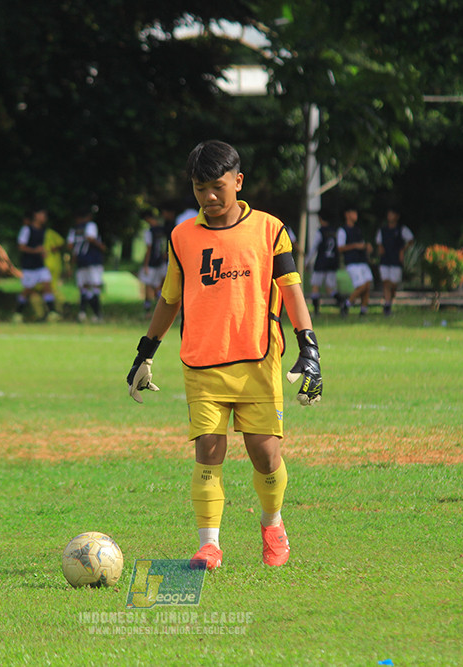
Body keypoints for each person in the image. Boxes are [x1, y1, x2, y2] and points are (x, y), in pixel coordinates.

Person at [126, 140, 322, 571]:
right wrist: (146, 351)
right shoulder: (182, 237)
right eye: (199, 189)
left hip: (258, 361)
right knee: (208, 449)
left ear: (238, 181)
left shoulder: (271, 230)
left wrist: (309, 348)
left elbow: (291, 291)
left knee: (264, 453)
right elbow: (169, 298)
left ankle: (272, 525)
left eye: (217, 187)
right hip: (202, 363)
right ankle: (209, 545)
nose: (209, 198)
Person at [14, 206, 60, 322]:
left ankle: (52, 312)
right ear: (36, 215)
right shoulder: (27, 230)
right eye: (43, 215)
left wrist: (43, 253)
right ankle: (18, 313)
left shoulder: (43, 231)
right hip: (29, 266)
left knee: (47, 286)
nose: (45, 218)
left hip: (40, 265)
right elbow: (21, 247)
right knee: (27, 290)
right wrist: (35, 251)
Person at [66, 206, 107, 322]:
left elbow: (70, 245)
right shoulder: (90, 225)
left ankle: (83, 313)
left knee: (84, 287)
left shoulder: (73, 230)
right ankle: (97, 314)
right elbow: (90, 237)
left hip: (81, 261)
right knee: (94, 287)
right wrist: (101, 246)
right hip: (93, 260)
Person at [376, 204, 414, 316]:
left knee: (393, 284)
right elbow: (379, 243)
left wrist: (402, 250)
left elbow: (411, 240)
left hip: (396, 260)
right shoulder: (382, 230)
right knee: (386, 282)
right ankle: (387, 305)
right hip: (385, 260)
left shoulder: (401, 229)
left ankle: (389, 300)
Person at [337, 204, 373, 316]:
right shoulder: (342, 230)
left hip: (362, 261)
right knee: (361, 286)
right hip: (352, 262)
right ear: (347, 215)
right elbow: (340, 247)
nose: (355, 215)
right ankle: (347, 304)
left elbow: (361, 244)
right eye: (353, 213)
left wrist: (366, 247)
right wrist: (355, 246)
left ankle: (363, 310)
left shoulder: (357, 230)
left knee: (367, 285)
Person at [307, 209, 340, 315]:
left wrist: (307, 261)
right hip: (332, 262)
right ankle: (342, 302)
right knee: (330, 288)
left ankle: (316, 311)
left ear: (320, 219)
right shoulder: (335, 231)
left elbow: (314, 248)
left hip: (321, 262)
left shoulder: (320, 231)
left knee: (315, 285)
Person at [138, 208, 168, 314]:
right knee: (158, 287)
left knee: (148, 285)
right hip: (162, 261)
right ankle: (162, 310)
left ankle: (148, 310)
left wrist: (145, 264)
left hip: (152, 262)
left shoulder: (149, 231)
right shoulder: (163, 229)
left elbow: (149, 248)